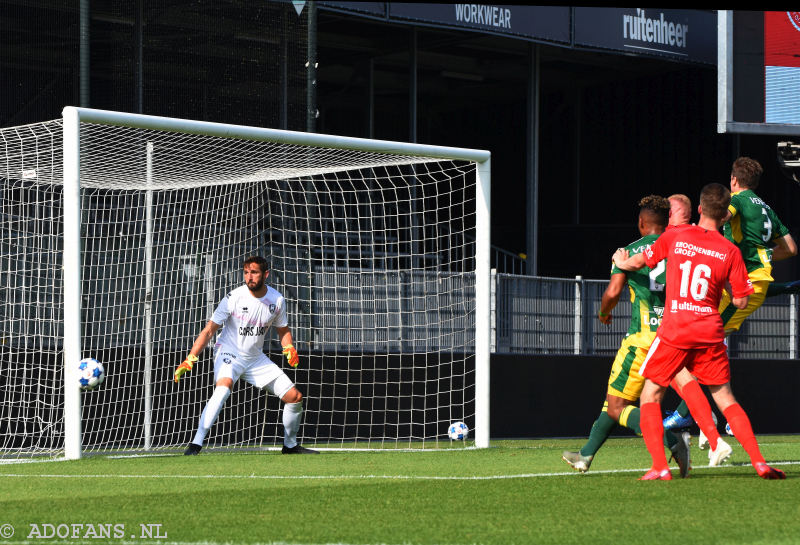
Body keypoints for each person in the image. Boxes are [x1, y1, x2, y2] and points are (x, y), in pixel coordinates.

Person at [613, 183, 785, 480]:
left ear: (701, 209)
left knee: (650, 396)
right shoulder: (730, 251)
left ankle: (660, 467)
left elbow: (641, 260)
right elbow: (742, 298)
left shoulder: (675, 235)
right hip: (709, 331)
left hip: (675, 329)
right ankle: (760, 463)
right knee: (726, 398)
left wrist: (620, 262)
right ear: (725, 216)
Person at [663, 159, 799, 439]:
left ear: (734, 181)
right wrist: (761, 255)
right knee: (705, 349)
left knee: (700, 347)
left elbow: (721, 214)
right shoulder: (765, 207)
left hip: (744, 283)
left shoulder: (736, 200)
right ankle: (704, 415)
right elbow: (791, 248)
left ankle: (691, 415)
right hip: (750, 281)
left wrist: (701, 241)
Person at [562, 195, 691, 477]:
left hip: (642, 342)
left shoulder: (630, 252)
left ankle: (672, 441)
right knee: (614, 402)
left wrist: (603, 312)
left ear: (642, 223)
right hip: (675, 340)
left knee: (617, 407)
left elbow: (612, 293)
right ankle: (585, 455)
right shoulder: (682, 248)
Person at [174, 255, 318, 455]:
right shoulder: (234, 297)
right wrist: (190, 358)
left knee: (294, 397)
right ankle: (196, 444)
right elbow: (209, 330)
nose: (249, 277)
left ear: (265, 274)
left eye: (254, 272)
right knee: (223, 388)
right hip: (229, 352)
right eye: (246, 272)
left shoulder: (276, 300)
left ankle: (290, 445)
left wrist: (289, 347)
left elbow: (283, 331)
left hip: (255, 358)